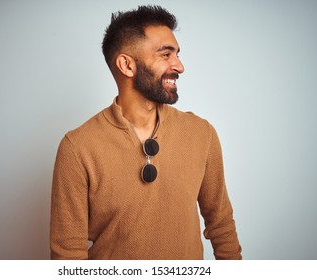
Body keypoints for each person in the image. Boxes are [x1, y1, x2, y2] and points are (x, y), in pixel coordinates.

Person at [50, 5, 242, 260]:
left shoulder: (201, 134)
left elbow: (221, 226)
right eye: (166, 55)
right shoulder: (77, 147)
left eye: (177, 54)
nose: (180, 66)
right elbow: (67, 254)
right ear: (127, 65)